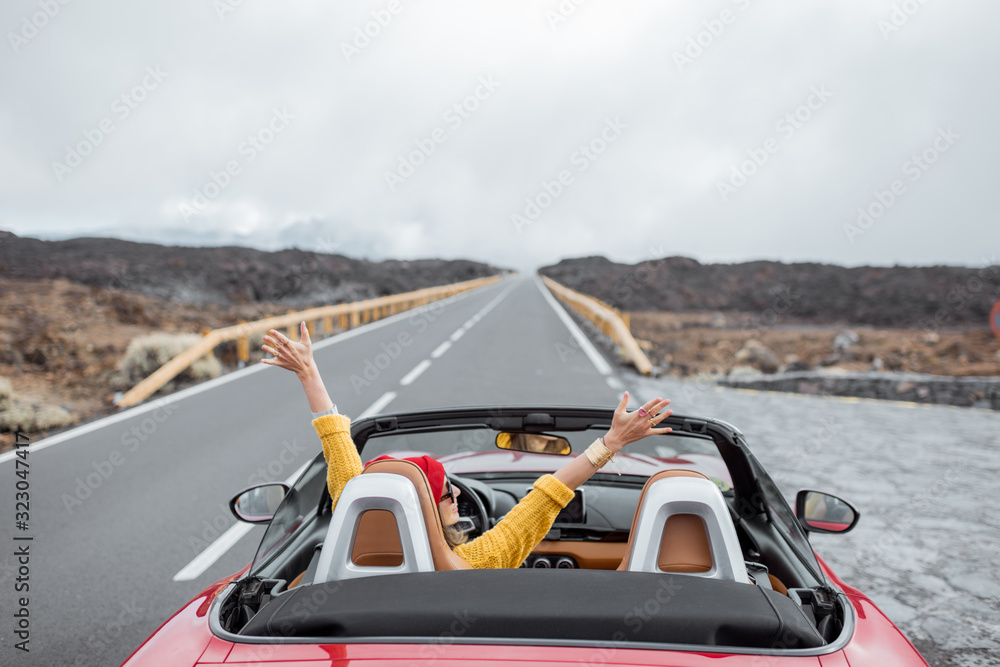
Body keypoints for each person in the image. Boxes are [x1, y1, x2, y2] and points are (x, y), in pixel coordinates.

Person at [261, 322, 673, 570]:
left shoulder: (343, 565)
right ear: (425, 509)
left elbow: (342, 459)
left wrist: (310, 376)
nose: (456, 490)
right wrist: (613, 441)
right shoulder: (473, 563)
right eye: (444, 490)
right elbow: (545, 499)